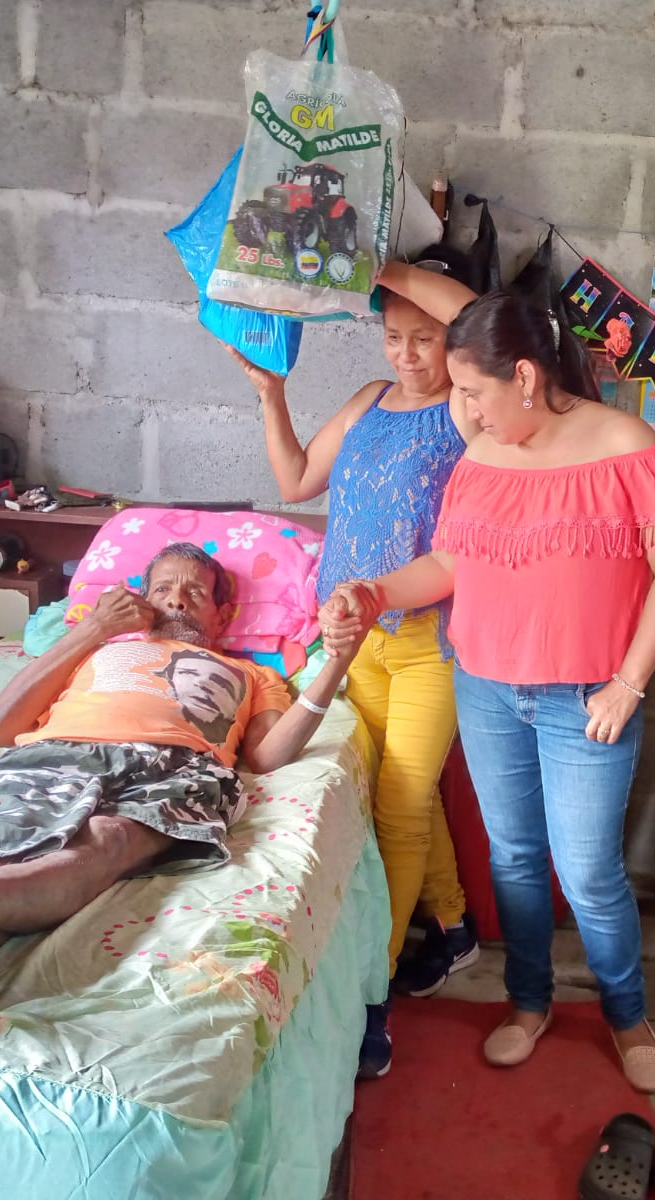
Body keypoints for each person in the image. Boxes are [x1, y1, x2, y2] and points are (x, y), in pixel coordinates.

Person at [319, 289, 655, 1093]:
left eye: (473, 391)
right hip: (486, 687)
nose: (465, 409)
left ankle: (627, 1015)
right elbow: (447, 566)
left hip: (587, 699)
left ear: (524, 376)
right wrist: (375, 592)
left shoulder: (628, 447)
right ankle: (529, 1002)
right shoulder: (483, 458)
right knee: (517, 859)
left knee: (588, 871)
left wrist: (628, 685)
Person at [0, 542, 369, 1028]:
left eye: (195, 593)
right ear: (142, 599)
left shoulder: (251, 674)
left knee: (109, 839)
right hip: (57, 752)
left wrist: (337, 662)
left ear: (222, 614)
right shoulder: (92, 651)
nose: (177, 601)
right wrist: (94, 628)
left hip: (175, 764)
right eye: (162, 589)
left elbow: (267, 756)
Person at [226, 257, 482, 1080]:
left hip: (431, 640)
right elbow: (297, 478)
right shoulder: (369, 401)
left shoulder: (469, 410)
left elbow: (479, 321)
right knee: (390, 792)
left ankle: (375, 997)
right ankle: (455, 926)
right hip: (351, 643)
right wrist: (271, 394)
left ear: (454, 344)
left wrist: (387, 264)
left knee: (399, 808)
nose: (408, 355)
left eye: (426, 339)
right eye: (395, 337)